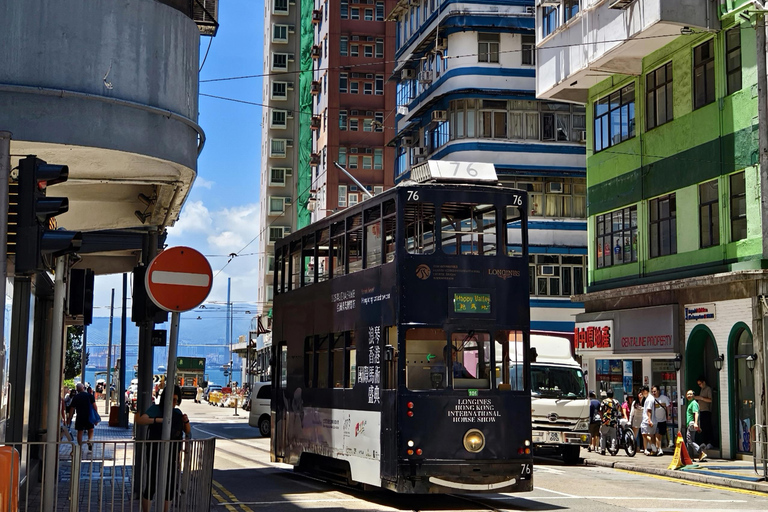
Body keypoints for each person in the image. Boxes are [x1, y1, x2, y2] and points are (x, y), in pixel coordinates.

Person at [135, 384, 191, 512]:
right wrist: (159, 420)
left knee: (170, 484)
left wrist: (186, 421)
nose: (173, 403)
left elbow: (187, 430)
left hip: (172, 454)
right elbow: (142, 420)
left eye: (176, 400)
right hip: (155, 451)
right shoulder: (155, 409)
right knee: (152, 482)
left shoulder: (177, 413)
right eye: (171, 399)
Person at [68, 382, 97, 450]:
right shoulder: (90, 396)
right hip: (89, 415)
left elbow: (72, 408)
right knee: (91, 429)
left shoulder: (76, 397)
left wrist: (69, 418)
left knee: (80, 431)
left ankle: (79, 445)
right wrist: (96, 416)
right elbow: (94, 406)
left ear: (77, 390)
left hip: (80, 416)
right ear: (83, 388)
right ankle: (89, 440)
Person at [685, 390, 706, 462]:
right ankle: (690, 457)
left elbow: (696, 414)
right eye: (687, 394)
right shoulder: (690, 403)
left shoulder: (693, 403)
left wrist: (696, 423)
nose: (689, 396)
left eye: (690, 394)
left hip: (692, 423)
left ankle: (701, 452)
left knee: (689, 440)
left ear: (694, 396)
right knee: (690, 441)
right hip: (691, 423)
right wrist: (698, 426)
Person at [598, 389, 620, 455]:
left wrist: (602, 418)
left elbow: (600, 410)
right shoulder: (616, 402)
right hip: (614, 421)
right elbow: (619, 409)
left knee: (603, 435)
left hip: (606, 421)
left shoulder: (604, 401)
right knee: (613, 436)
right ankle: (613, 449)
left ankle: (602, 449)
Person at [694, 377, 713, 449]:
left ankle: (710, 442)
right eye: (698, 384)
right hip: (701, 410)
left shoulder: (708, 389)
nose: (699, 385)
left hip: (706, 410)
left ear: (704, 382)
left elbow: (710, 400)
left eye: (700, 384)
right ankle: (704, 442)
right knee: (703, 427)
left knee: (708, 427)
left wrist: (701, 398)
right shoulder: (702, 389)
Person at [652, 386, 671, 450]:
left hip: (663, 420)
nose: (653, 393)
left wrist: (669, 415)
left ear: (658, 391)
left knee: (660, 435)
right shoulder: (651, 399)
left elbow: (668, 407)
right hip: (655, 420)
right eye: (652, 392)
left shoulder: (664, 398)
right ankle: (658, 449)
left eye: (655, 391)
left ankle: (658, 448)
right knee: (657, 435)